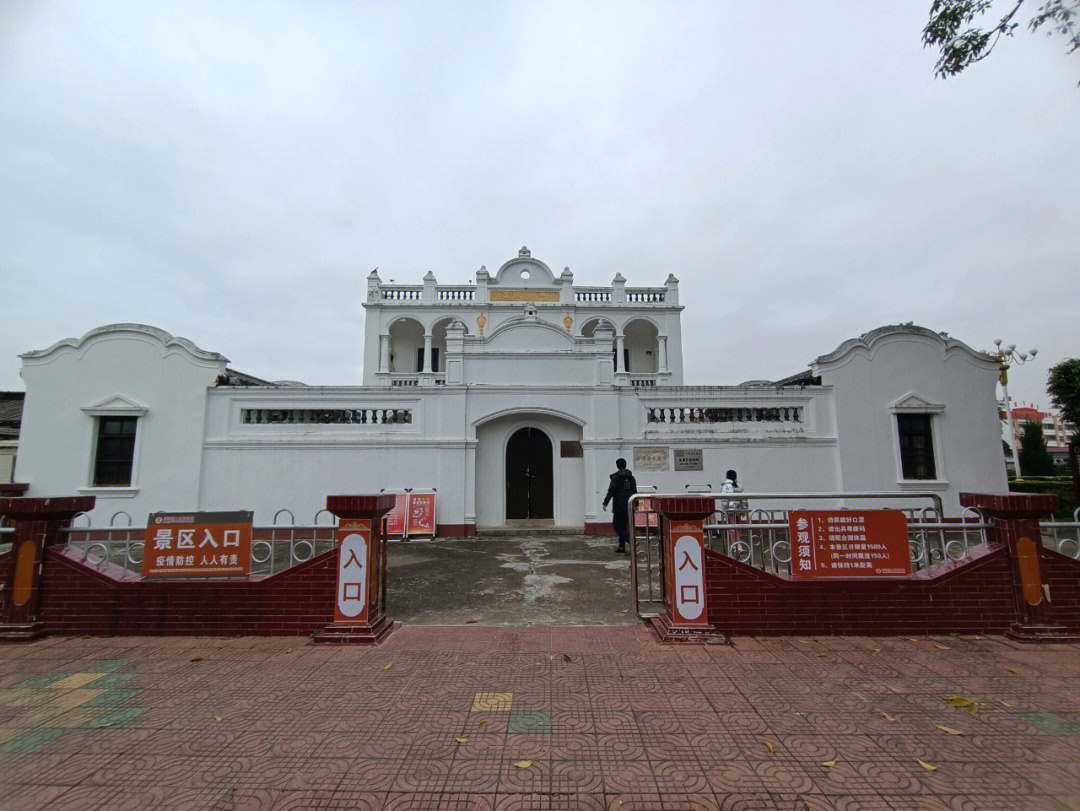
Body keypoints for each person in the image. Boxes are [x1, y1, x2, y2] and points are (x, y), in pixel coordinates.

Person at [602, 457, 637, 554]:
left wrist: (605, 502)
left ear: (617, 466)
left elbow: (611, 491)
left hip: (618, 506)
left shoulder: (616, 477)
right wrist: (636, 504)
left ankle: (631, 541)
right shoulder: (631, 477)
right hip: (629, 505)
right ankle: (621, 546)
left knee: (617, 527)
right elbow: (635, 491)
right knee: (623, 526)